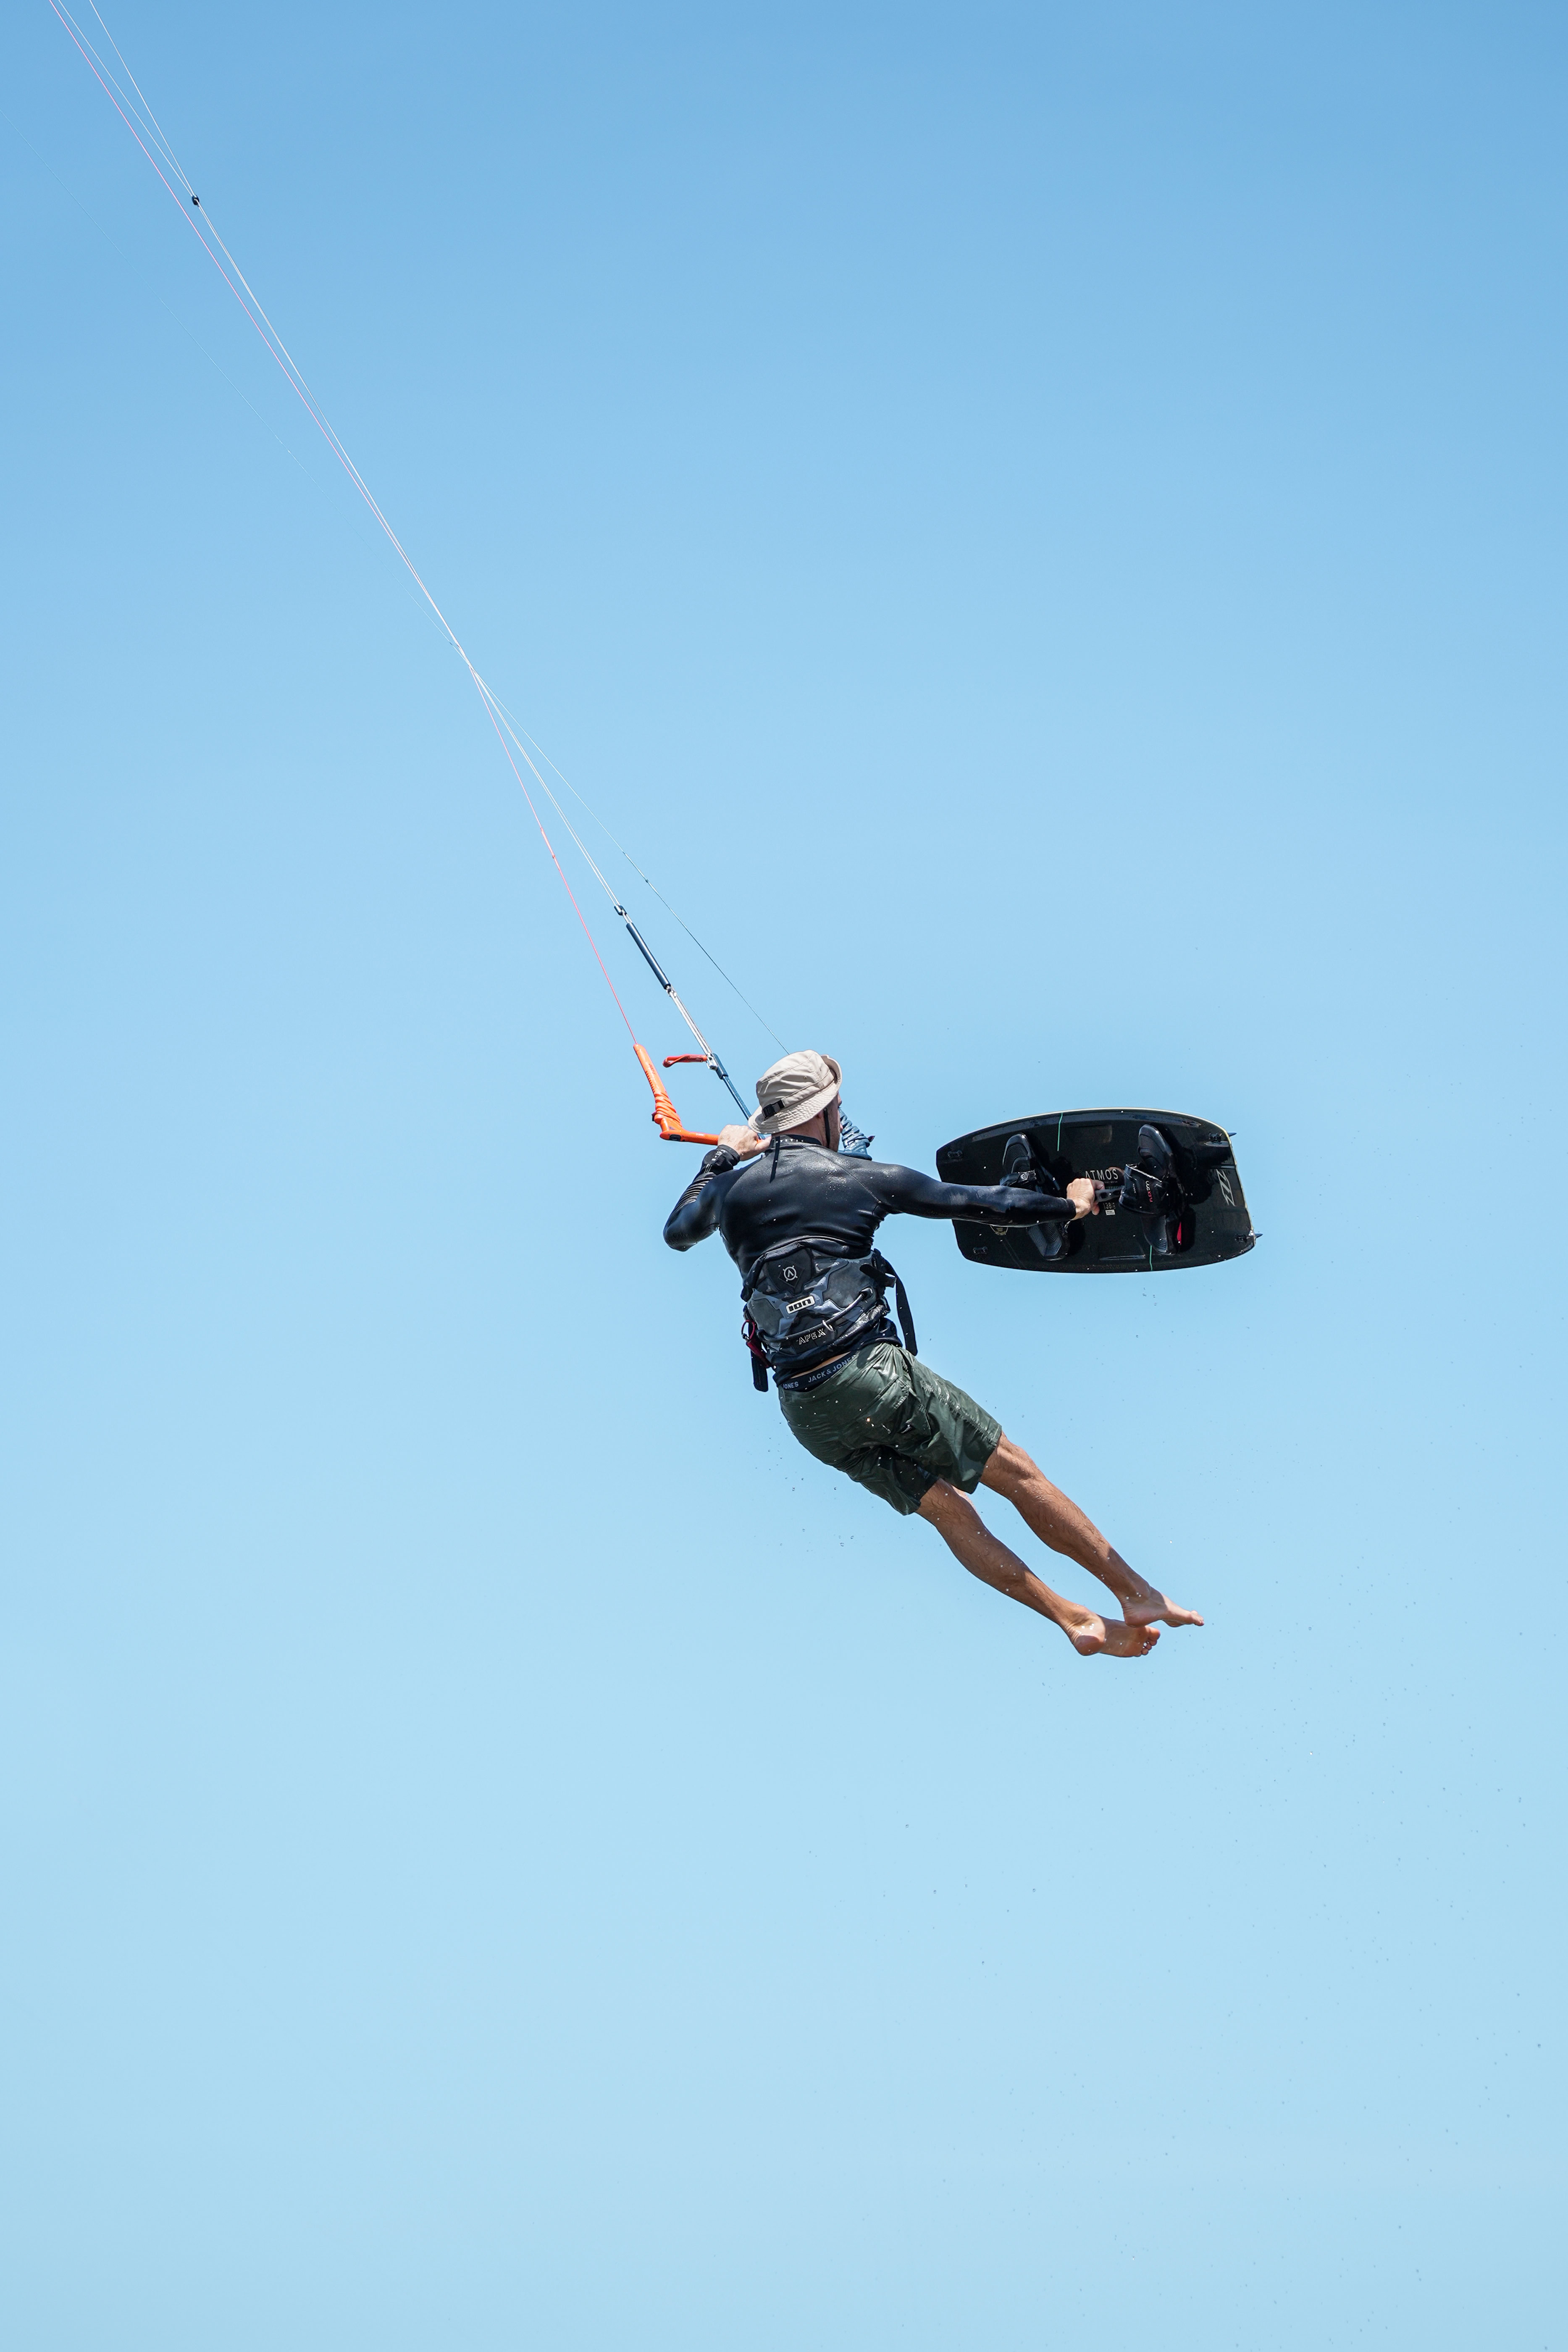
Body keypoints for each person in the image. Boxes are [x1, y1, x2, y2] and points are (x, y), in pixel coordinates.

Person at [664, 1049, 1203, 1659]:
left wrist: (723, 1156)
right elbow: (986, 1204)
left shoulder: (728, 1190)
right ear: (823, 1112)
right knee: (1017, 1474)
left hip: (805, 1411)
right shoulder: (859, 1178)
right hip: (870, 1377)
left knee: (950, 1514)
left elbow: (677, 1232)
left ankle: (1072, 1618)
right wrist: (1072, 1205)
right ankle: (1135, 1593)